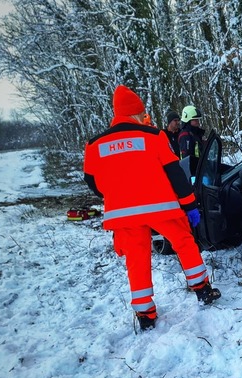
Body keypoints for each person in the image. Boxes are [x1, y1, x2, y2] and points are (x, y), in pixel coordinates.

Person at [83, 85, 220, 332]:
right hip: (161, 207)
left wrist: (119, 196)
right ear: (136, 113)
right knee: (184, 243)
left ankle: (145, 314)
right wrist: (189, 204)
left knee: (136, 260)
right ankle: (202, 289)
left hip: (124, 215)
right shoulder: (153, 137)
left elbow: (93, 182)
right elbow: (176, 174)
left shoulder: (95, 145)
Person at [178, 105, 206, 177]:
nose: (198, 122)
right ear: (188, 120)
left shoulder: (196, 133)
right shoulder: (185, 136)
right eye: (195, 120)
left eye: (198, 120)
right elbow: (186, 157)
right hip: (194, 172)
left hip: (201, 169)